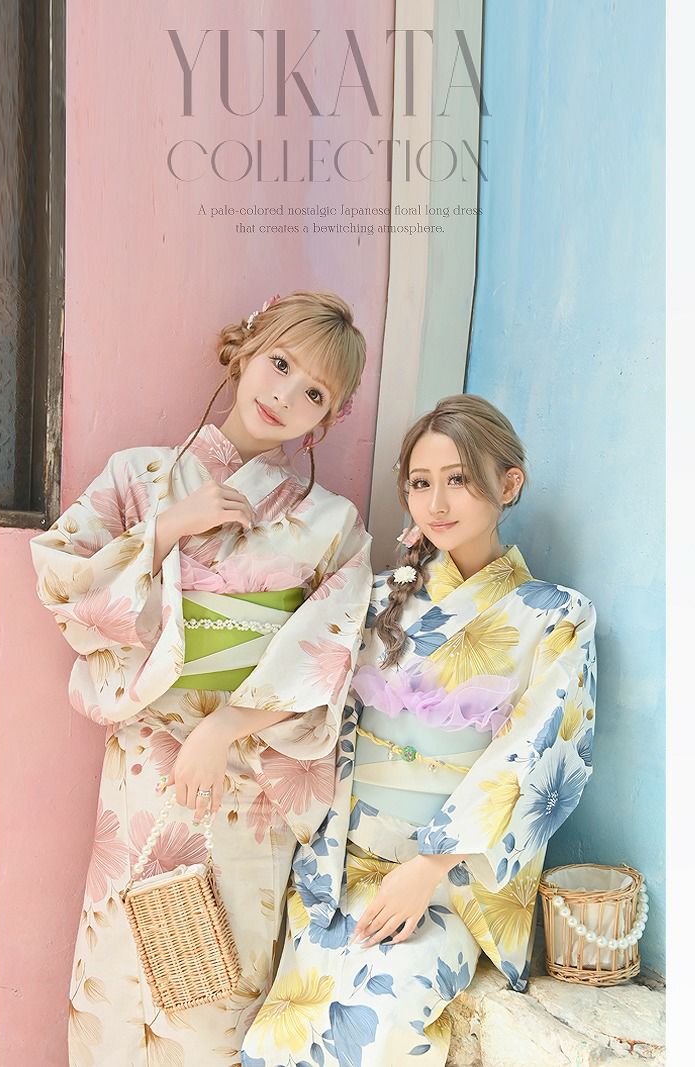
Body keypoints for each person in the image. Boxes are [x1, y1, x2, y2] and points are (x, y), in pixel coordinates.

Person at [30, 291, 373, 1066]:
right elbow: (62, 576)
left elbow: (332, 644)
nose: (285, 395)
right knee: (120, 973)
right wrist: (166, 529)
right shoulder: (141, 474)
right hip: (146, 759)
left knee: (220, 991)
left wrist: (225, 726)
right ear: (244, 349)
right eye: (279, 363)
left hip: (247, 775)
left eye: (314, 392)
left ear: (330, 417)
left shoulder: (335, 524)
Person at [241, 394, 597, 1067]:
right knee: (276, 1041)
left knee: (379, 1027)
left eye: (458, 479)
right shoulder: (380, 598)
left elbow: (540, 754)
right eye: (420, 482)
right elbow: (304, 688)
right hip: (344, 868)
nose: (437, 502)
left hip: (451, 884)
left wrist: (429, 867)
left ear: (509, 484)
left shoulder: (555, 614)